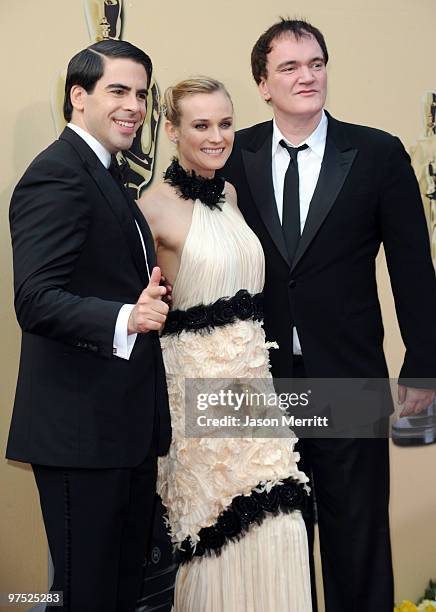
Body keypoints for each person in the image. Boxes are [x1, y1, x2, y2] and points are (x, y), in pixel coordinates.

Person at [222, 18, 436, 612]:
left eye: (315, 63)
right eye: (288, 67)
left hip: (348, 377)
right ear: (262, 84)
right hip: (257, 385)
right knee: (275, 544)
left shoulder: (376, 153)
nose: (306, 76)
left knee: (358, 543)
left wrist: (423, 362)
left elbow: (414, 267)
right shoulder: (232, 154)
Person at [6, 40, 171, 612]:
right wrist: (128, 315)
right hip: (81, 436)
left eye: (142, 94)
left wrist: (144, 298)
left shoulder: (107, 176)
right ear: (79, 97)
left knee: (121, 596)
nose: (134, 106)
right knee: (84, 597)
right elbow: (35, 298)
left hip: (120, 432)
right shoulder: (57, 174)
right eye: (118, 91)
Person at [138, 77, 312, 612]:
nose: (217, 137)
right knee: (219, 536)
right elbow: (136, 305)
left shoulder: (231, 195)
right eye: (201, 125)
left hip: (252, 388)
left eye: (225, 123)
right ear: (172, 130)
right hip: (195, 393)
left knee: (280, 526)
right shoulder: (151, 207)